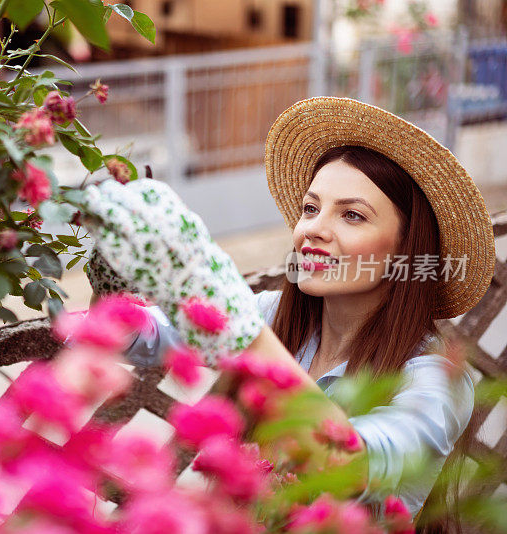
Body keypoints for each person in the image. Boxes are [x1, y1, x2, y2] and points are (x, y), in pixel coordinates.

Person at [78, 97, 496, 524]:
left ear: (407, 250)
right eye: (310, 208)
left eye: (352, 215)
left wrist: (240, 326)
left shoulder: (434, 378)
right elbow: (134, 337)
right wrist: (112, 275)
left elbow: (351, 466)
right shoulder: (272, 314)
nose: (312, 228)